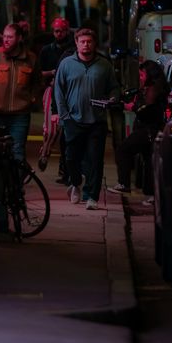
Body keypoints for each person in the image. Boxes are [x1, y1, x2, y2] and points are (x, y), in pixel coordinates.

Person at [53, 27, 119, 210]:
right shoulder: (66, 64)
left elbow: (114, 87)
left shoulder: (104, 65)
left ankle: (92, 196)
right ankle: (75, 182)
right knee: (71, 158)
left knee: (95, 160)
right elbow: (58, 90)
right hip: (73, 120)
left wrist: (113, 98)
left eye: (89, 41)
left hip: (96, 121)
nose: (86, 44)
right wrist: (63, 115)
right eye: (82, 41)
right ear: (76, 43)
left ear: (94, 43)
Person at [108, 60, 169, 196]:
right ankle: (151, 194)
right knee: (148, 162)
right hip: (150, 130)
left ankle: (124, 183)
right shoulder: (153, 87)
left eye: (142, 75)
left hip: (147, 130)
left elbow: (144, 109)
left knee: (123, 150)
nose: (140, 78)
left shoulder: (153, 89)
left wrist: (127, 106)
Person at [0, 23, 40, 162]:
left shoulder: (30, 58)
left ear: (19, 38)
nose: (6, 40)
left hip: (20, 115)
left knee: (17, 153)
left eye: (10, 37)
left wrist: (32, 98)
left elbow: (37, 82)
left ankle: (16, 183)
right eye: (5, 36)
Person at [38, 17, 73, 182]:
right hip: (51, 91)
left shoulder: (73, 50)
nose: (59, 34)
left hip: (68, 93)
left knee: (64, 132)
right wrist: (52, 73)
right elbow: (39, 73)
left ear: (67, 31)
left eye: (62, 31)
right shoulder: (47, 50)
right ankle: (45, 152)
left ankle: (64, 168)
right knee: (52, 129)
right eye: (56, 31)